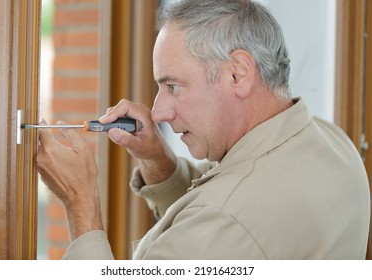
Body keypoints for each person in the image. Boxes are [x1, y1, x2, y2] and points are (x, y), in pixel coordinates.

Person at [37, 0, 370, 259]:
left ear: (238, 74)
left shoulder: (228, 217)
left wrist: (80, 202)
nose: (158, 112)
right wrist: (157, 159)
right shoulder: (332, 142)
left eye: (173, 86)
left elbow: (220, 217)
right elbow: (220, 208)